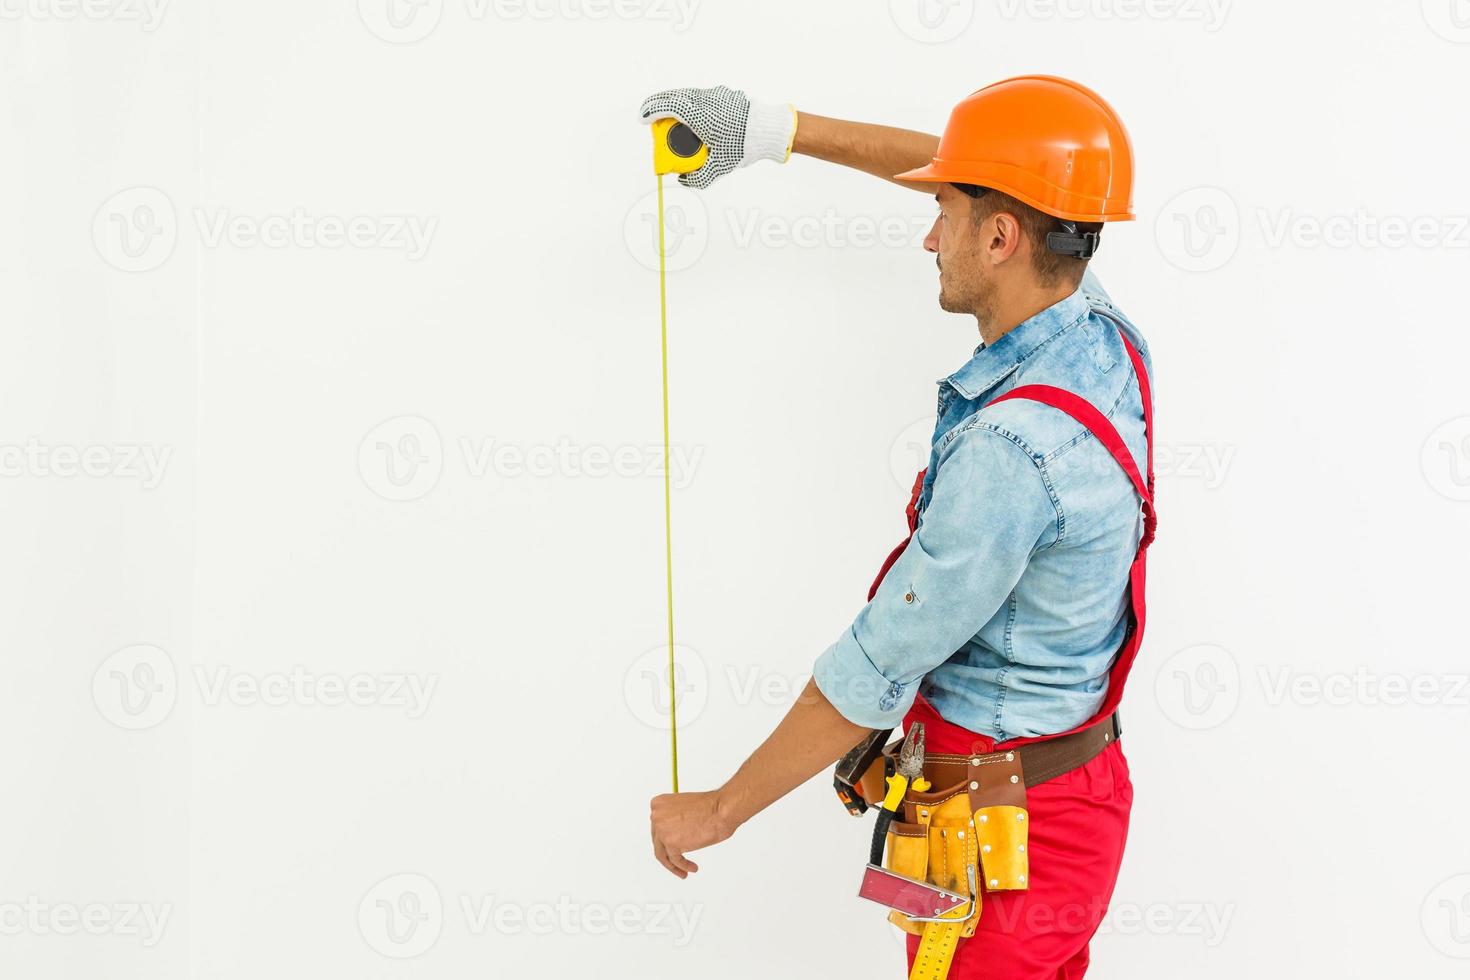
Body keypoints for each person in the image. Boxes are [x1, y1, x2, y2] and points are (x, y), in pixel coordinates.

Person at [640, 76, 1156, 980]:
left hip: (1004, 851)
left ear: (1000, 238)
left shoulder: (1011, 453)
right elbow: (989, 171)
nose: (927, 232)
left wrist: (717, 811)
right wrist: (775, 132)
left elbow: (870, 672)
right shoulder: (1098, 330)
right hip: (1065, 802)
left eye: (945, 215)